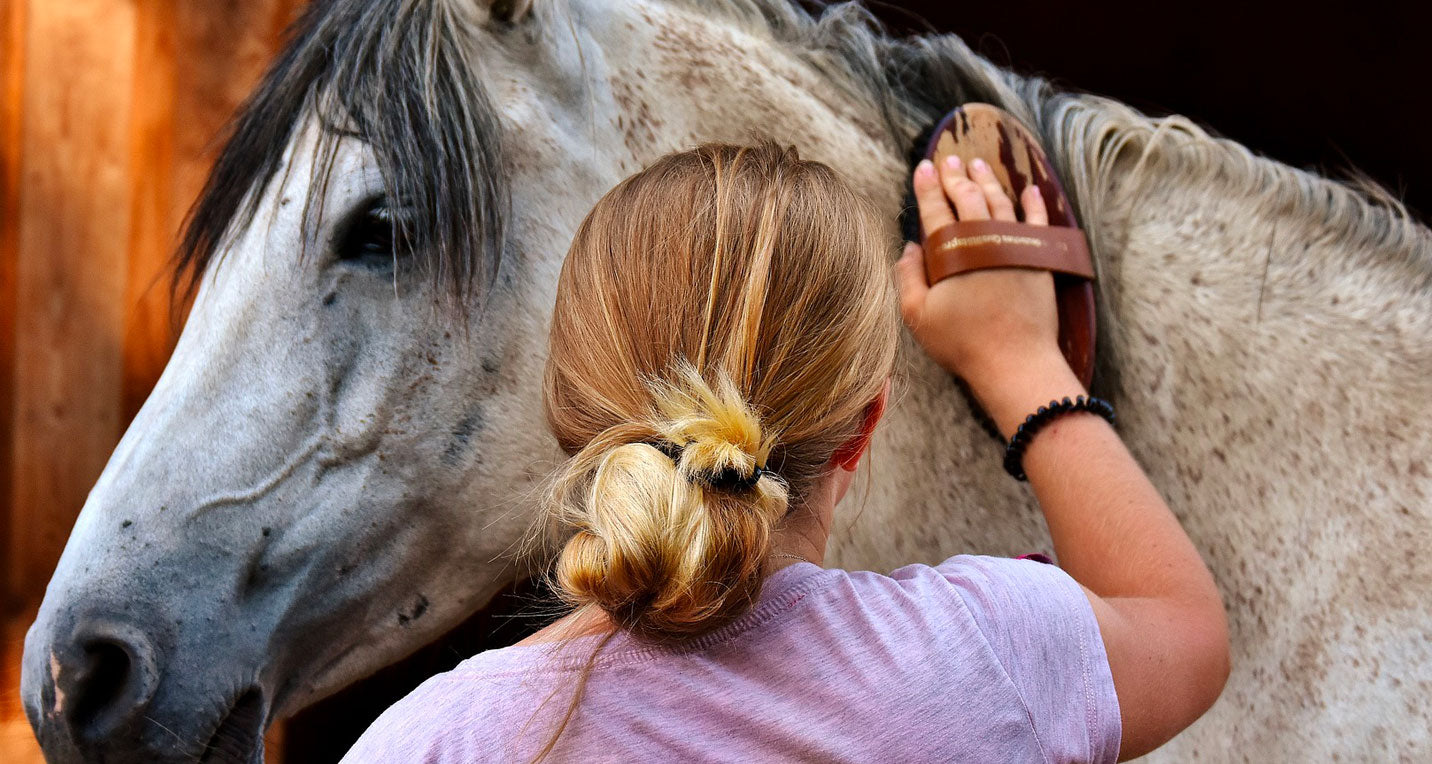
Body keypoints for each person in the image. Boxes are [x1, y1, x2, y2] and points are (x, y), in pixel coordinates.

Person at [343, 141, 1229, 763]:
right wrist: (1020, 359)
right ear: (865, 425)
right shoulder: (981, 656)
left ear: (567, 414)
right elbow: (1182, 629)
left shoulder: (432, 742)